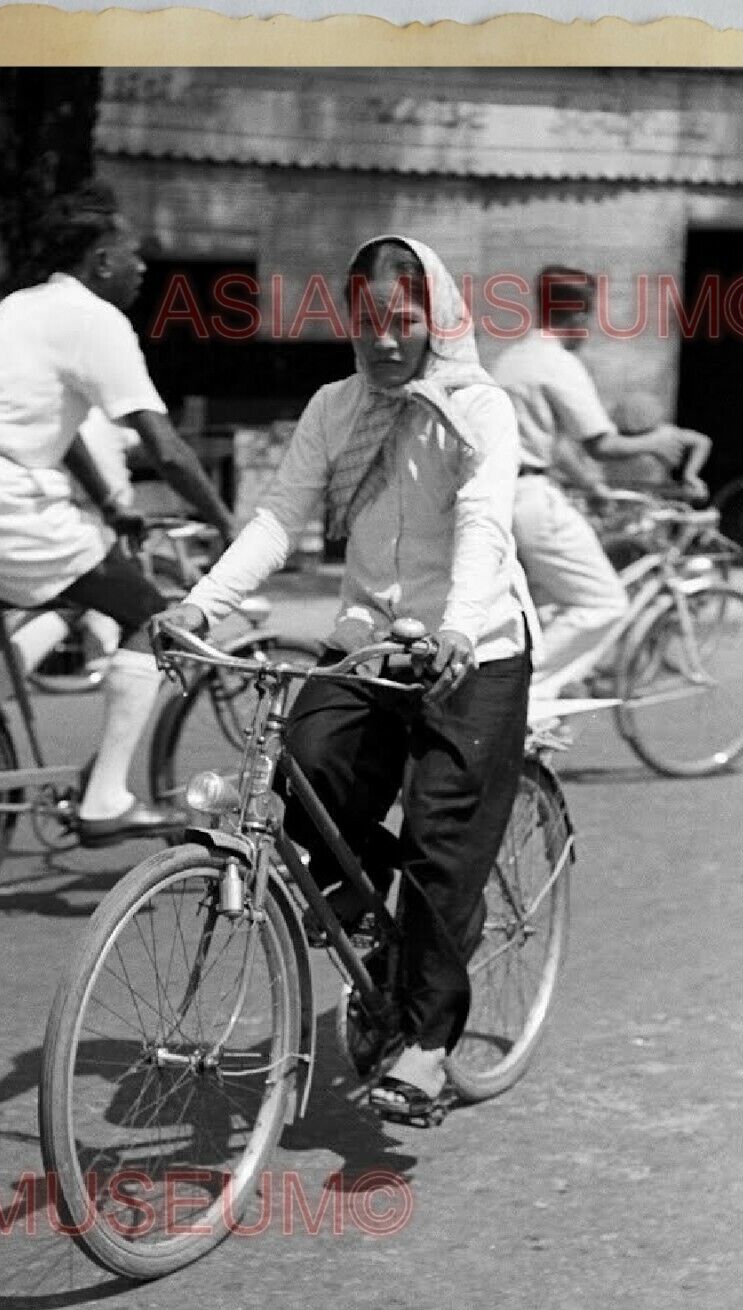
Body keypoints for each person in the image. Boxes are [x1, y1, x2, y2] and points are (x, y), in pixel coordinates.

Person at [164, 235, 535, 1122]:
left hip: (470, 646)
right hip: (370, 639)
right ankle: (375, 916)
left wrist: (454, 626)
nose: (383, 341)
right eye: (366, 322)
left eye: (400, 321)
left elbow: (485, 524)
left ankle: (429, 1044)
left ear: (436, 319)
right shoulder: (335, 406)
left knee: (442, 848)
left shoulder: (480, 409)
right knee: (304, 770)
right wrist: (200, 607)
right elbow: (279, 518)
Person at [0, 184, 235, 841]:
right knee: (150, 615)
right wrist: (232, 526)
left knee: (67, 593)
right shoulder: (97, 320)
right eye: (133, 254)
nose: (144, 268)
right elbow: (166, 450)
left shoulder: (27, 305)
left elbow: (70, 435)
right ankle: (105, 800)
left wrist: (115, 509)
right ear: (102, 261)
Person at [490, 266, 711, 696]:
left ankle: (533, 695)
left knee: (548, 608)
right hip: (530, 496)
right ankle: (522, 699)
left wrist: (591, 486)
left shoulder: (514, 358)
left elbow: (551, 445)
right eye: (588, 315)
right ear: (574, 313)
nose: (588, 328)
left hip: (507, 493)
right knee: (604, 603)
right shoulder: (557, 363)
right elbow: (601, 443)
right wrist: (655, 440)